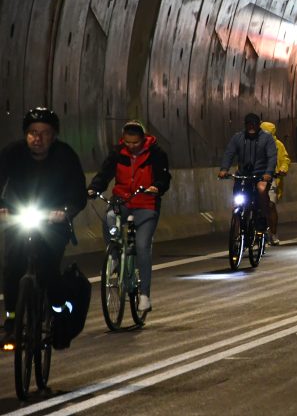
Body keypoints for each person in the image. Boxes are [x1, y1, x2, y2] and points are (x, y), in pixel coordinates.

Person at [1, 108, 87, 349]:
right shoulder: (12, 154)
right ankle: (11, 321)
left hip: (53, 221)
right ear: (25, 135)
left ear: (54, 136)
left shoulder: (65, 156)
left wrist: (65, 211)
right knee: (12, 266)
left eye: (44, 133)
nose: (37, 138)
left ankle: (59, 312)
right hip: (20, 215)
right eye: (32, 133)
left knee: (49, 268)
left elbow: (78, 193)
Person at [88, 120, 171, 313]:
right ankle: (115, 256)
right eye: (128, 142)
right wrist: (94, 188)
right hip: (122, 201)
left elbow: (164, 177)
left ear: (143, 139)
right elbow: (105, 173)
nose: (131, 146)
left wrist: (156, 187)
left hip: (146, 204)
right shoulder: (118, 153)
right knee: (109, 219)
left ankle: (144, 295)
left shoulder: (156, 154)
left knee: (142, 246)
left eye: (135, 143)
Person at [218, 113, 277, 231]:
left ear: (258, 125)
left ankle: (264, 216)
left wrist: (268, 173)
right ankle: (237, 229)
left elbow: (272, 157)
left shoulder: (267, 138)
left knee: (261, 190)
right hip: (243, 175)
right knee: (237, 199)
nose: (251, 127)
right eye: (248, 124)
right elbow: (229, 153)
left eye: (254, 124)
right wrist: (224, 169)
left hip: (260, 175)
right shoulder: (238, 137)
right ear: (245, 125)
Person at [258, 122, 290, 245]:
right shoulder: (254, 143)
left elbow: (285, 159)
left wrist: (282, 169)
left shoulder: (278, 145)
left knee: (270, 205)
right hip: (256, 178)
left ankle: (273, 233)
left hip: (272, 178)